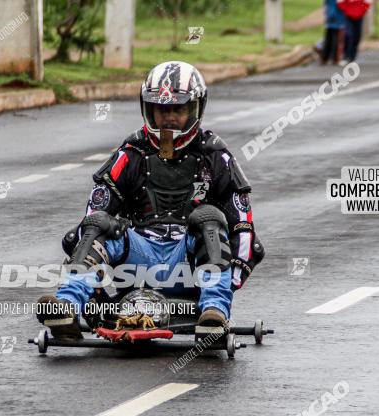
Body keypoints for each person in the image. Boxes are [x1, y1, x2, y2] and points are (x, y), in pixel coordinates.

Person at [36, 61, 264, 339]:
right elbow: (93, 217)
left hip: (189, 264)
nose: (169, 119)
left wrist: (233, 280)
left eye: (178, 110)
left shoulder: (215, 154)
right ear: (148, 108)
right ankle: (68, 306)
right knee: (100, 223)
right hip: (137, 259)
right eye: (161, 110)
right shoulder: (131, 152)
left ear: (195, 108)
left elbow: (243, 226)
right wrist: (96, 293)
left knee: (209, 218)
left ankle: (215, 311)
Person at [318, 0, 346, 65]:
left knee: (329, 38)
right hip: (337, 17)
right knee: (334, 39)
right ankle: (333, 58)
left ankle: (325, 58)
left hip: (331, 16)